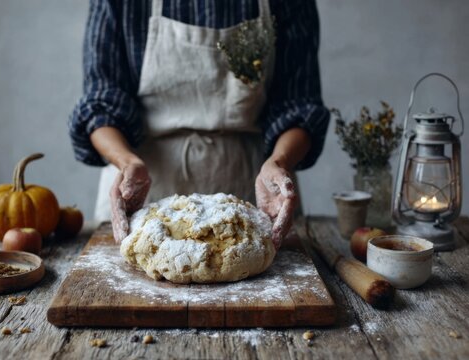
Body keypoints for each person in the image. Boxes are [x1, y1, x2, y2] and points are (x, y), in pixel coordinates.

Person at [69, 0, 330, 249]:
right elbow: (100, 105)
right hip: (145, 189)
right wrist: (126, 162)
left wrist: (280, 162)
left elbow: (298, 105)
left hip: (253, 190)